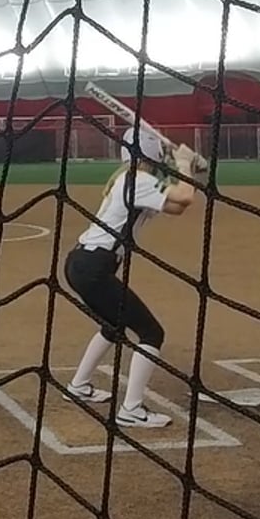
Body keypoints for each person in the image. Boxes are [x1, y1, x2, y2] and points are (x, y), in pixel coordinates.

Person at [60, 126, 198, 430]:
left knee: (114, 325)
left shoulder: (133, 178)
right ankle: (131, 410)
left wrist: (188, 170)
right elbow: (185, 196)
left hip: (83, 264)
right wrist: (184, 163)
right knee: (151, 333)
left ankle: (78, 386)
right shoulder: (138, 180)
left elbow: (177, 206)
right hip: (94, 268)